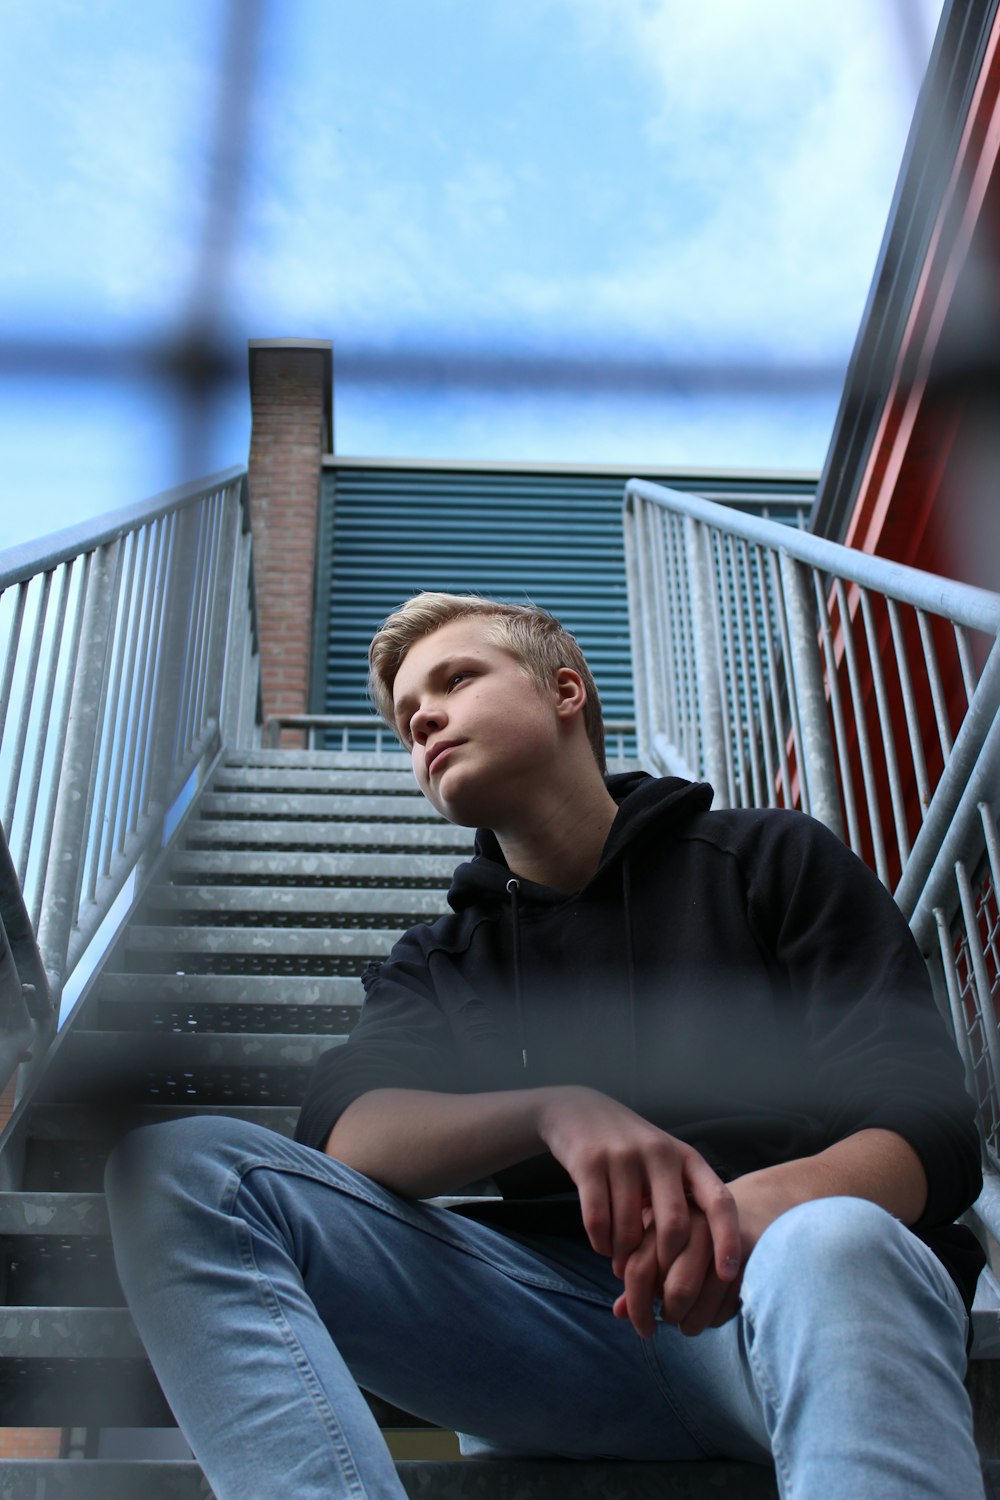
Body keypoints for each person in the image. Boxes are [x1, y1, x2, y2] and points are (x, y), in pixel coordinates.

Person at [107, 591, 987, 1500]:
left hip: (787, 1313)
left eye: (456, 680)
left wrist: (752, 1215)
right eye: (409, 718)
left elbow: (930, 1126)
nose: (426, 721)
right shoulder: (444, 957)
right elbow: (342, 1134)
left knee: (835, 1237)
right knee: (177, 1169)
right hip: (557, 1334)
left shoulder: (772, 859)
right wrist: (553, 1109)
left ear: (565, 692)